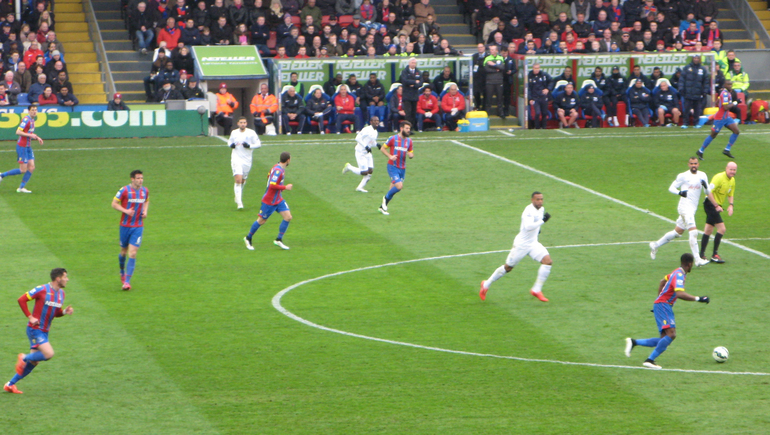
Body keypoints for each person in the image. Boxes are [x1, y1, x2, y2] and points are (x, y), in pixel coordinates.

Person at [624, 253, 710, 369]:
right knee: (672, 334)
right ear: (690, 264)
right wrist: (698, 299)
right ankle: (649, 360)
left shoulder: (675, 272)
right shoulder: (679, 275)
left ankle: (634, 342)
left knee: (663, 339)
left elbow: (662, 281)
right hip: (664, 305)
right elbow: (679, 293)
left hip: (662, 305)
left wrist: (659, 299)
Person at [4, 268, 73, 394]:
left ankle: (9, 384)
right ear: (58, 279)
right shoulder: (42, 289)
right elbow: (21, 300)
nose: (67, 279)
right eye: (65, 277)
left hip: (44, 331)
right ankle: (23, 357)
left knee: (34, 362)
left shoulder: (61, 294)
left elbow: (55, 311)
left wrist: (64, 312)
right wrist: (30, 317)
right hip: (35, 329)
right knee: (48, 354)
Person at [480, 191, 553, 302]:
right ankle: (486, 284)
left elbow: (536, 224)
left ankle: (536, 290)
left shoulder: (541, 209)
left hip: (533, 243)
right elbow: (528, 226)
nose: (540, 201)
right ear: (532, 200)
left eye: (541, 199)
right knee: (508, 267)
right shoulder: (528, 211)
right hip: (521, 245)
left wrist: (539, 229)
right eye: (537, 199)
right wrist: (543, 221)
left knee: (547, 261)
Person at [649, 157, 721, 267]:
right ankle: (697, 260)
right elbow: (671, 187)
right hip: (684, 207)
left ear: (698, 164)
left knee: (677, 233)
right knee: (693, 232)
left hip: (692, 208)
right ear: (688, 164)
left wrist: (706, 186)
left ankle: (655, 245)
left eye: (695, 163)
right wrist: (679, 193)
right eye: (692, 163)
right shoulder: (683, 176)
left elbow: (707, 192)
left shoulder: (703, 175)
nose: (694, 165)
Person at [244, 152, 293, 251]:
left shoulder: (277, 167)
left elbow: (268, 176)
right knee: (261, 221)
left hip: (278, 199)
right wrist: (285, 187)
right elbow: (272, 184)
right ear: (288, 160)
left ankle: (279, 239)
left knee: (288, 217)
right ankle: (248, 238)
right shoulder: (278, 171)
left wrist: (279, 189)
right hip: (269, 200)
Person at [111, 170, 150, 291]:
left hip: (138, 226)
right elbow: (114, 204)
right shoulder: (124, 190)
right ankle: (122, 271)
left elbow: (147, 201)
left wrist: (145, 211)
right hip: (125, 226)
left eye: (142, 178)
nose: (140, 180)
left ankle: (127, 282)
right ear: (132, 179)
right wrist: (126, 211)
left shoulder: (145, 191)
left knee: (132, 253)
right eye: (138, 178)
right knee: (123, 251)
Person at [697, 162, 736, 263]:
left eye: (734, 170)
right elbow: (708, 191)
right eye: (731, 169)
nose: (732, 172)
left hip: (716, 205)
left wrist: (731, 205)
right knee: (722, 229)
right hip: (710, 204)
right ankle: (714, 255)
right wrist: (716, 205)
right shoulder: (718, 177)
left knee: (708, 230)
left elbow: (730, 194)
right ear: (726, 168)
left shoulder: (732, 181)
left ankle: (701, 255)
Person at [0, 105, 43, 193]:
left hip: (28, 146)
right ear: (29, 111)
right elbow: (18, 132)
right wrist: (31, 135)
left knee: (31, 167)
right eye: (32, 110)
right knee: (23, 170)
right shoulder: (26, 120)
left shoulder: (32, 120)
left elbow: (29, 132)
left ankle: (21, 188)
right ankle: (2, 175)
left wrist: (37, 137)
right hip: (22, 146)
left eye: (35, 110)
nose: (34, 111)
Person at [697, 80, 740, 160]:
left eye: (731, 84)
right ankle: (700, 150)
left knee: (736, 131)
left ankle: (727, 150)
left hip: (726, 117)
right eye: (728, 84)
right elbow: (725, 107)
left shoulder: (724, 92)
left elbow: (717, 102)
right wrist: (735, 103)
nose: (730, 85)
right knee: (713, 135)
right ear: (724, 85)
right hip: (720, 118)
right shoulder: (725, 94)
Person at [378, 121, 414, 216]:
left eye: (409, 129)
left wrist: (411, 155)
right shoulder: (393, 139)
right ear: (401, 128)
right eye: (406, 128)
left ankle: (382, 207)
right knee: (399, 186)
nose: (408, 130)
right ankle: (384, 199)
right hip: (392, 166)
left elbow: (410, 152)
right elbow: (382, 148)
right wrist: (390, 156)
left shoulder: (409, 141)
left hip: (402, 168)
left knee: (392, 190)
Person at [228, 117, 261, 210]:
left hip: (247, 160)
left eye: (244, 122)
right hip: (236, 158)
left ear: (246, 124)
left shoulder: (251, 133)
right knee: (238, 180)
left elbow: (258, 144)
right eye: (241, 122)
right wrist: (231, 145)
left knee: (242, 180)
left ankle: (238, 195)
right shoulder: (234, 133)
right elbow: (229, 141)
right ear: (238, 123)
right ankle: (239, 203)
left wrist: (250, 146)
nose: (243, 124)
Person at [342, 116, 380, 193]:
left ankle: (359, 188)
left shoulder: (375, 132)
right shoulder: (366, 130)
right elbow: (357, 138)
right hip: (360, 152)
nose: (376, 122)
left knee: (370, 170)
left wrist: (377, 145)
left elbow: (371, 142)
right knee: (364, 172)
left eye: (377, 121)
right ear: (371, 122)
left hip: (367, 153)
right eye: (375, 121)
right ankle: (349, 167)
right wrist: (365, 146)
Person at [679, 55, 708, 128]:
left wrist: (705, 91)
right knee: (686, 109)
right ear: (692, 59)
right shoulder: (687, 68)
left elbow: (706, 81)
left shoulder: (702, 69)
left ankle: (696, 123)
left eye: (697, 58)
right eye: (695, 58)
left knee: (697, 109)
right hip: (688, 92)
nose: (696, 59)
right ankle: (685, 123)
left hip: (698, 93)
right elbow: (682, 79)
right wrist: (681, 88)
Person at [483, 44, 505, 118]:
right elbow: (486, 69)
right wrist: (496, 70)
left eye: (493, 49)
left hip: (499, 81)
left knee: (500, 98)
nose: (491, 51)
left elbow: (502, 68)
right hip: (490, 81)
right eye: (490, 49)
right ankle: (487, 113)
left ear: (496, 50)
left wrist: (493, 65)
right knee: (488, 98)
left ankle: (501, 113)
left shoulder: (500, 58)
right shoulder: (487, 58)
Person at [399, 57, 421, 126]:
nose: (413, 64)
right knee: (408, 113)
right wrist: (415, 81)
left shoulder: (418, 72)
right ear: (409, 63)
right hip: (407, 96)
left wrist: (413, 85)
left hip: (414, 95)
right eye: (412, 62)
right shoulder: (404, 71)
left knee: (413, 113)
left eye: (415, 63)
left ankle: (412, 127)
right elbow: (405, 81)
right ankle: (407, 128)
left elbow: (421, 83)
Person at [528, 63, 551, 129]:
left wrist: (548, 89)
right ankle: (537, 127)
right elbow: (528, 88)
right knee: (537, 113)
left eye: (538, 68)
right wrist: (530, 98)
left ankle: (544, 127)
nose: (537, 70)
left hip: (543, 97)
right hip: (535, 98)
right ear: (533, 68)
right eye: (535, 68)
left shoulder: (544, 75)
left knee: (544, 113)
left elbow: (552, 81)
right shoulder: (529, 76)